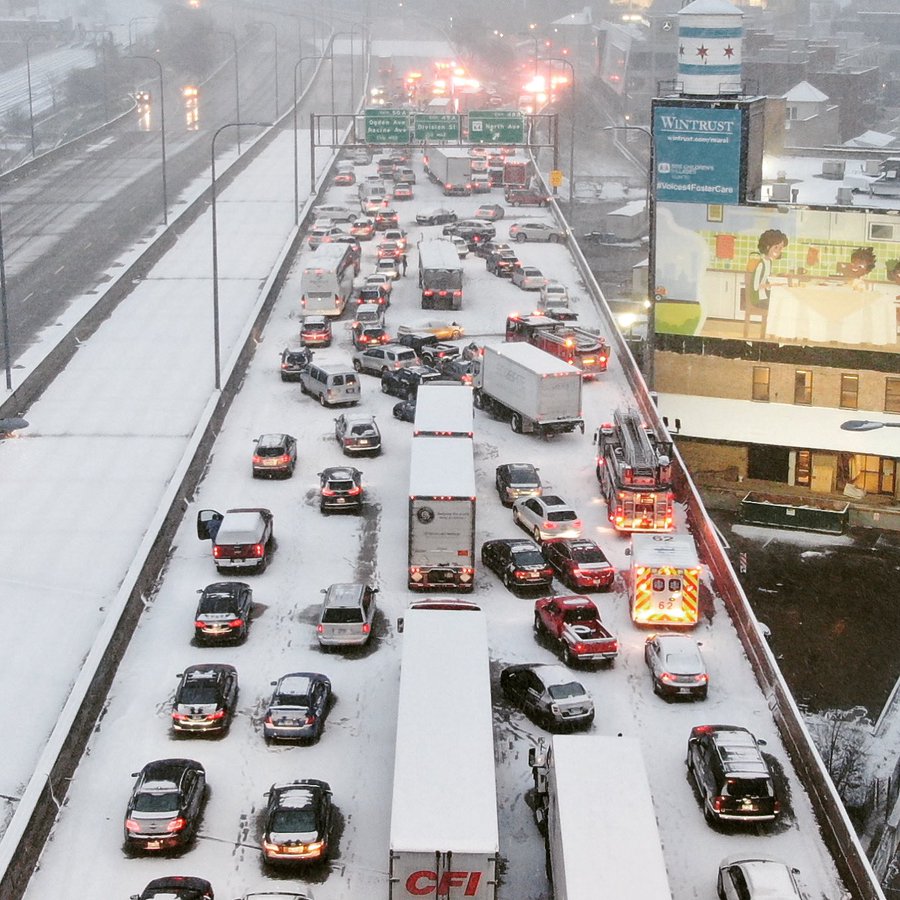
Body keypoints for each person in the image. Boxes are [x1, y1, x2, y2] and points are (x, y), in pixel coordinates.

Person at [744, 229, 788, 338]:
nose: (778, 251)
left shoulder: (769, 262)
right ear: (768, 247)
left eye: (780, 248)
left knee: (782, 303)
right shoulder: (761, 264)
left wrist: (774, 282)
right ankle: (773, 334)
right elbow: (756, 286)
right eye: (776, 247)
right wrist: (772, 285)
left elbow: (766, 280)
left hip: (763, 297)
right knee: (779, 306)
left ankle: (773, 334)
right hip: (758, 299)